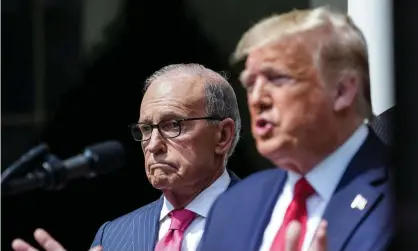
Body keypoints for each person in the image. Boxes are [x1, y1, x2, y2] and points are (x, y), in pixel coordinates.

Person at [199, 6, 393, 251]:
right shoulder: (232, 206)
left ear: (342, 91)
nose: (257, 98)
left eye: (277, 78)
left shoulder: (402, 198)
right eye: (250, 83)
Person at [11, 63, 241, 251]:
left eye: (173, 125)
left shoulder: (266, 219)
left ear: (222, 136)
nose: (153, 145)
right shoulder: (113, 235)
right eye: (146, 129)